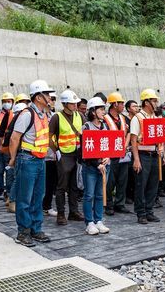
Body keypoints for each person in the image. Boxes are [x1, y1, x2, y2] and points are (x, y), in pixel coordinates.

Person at [8, 80, 54, 247]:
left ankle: (36, 229)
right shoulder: (27, 114)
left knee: (38, 197)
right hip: (27, 160)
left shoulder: (43, 115)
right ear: (38, 97)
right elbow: (14, 138)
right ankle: (23, 232)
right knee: (24, 198)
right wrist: (13, 159)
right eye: (47, 94)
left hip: (40, 160)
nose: (50, 97)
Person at [49, 89, 84, 225]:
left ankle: (73, 212)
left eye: (76, 103)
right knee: (61, 186)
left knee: (74, 185)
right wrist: (56, 150)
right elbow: (49, 136)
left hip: (77, 154)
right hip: (64, 154)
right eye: (72, 103)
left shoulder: (80, 116)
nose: (75, 105)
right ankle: (61, 214)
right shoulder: (56, 117)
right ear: (65, 104)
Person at [130, 88, 163, 224]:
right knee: (141, 185)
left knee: (153, 185)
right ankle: (141, 213)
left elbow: (160, 137)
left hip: (154, 154)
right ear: (147, 102)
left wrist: (161, 150)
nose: (156, 103)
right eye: (154, 101)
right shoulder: (137, 118)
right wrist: (136, 159)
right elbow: (133, 140)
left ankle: (149, 211)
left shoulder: (155, 118)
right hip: (142, 155)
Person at [81, 97, 111, 235]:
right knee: (89, 195)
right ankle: (89, 222)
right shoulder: (86, 127)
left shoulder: (105, 126)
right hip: (91, 167)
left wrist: (107, 157)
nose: (103, 112)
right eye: (100, 109)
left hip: (104, 166)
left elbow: (109, 145)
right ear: (93, 111)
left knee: (100, 194)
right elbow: (85, 151)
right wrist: (97, 163)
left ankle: (98, 220)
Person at [104, 92, 132, 215]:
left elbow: (129, 132)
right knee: (110, 182)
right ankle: (108, 205)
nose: (123, 106)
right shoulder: (105, 119)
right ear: (115, 104)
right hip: (110, 155)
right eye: (121, 103)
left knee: (122, 180)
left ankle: (120, 203)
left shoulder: (124, 118)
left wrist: (125, 145)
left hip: (123, 154)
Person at [3, 101, 28, 213]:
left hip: (16, 153)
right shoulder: (19, 123)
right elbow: (14, 140)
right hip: (19, 154)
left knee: (16, 178)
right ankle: (12, 200)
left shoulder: (14, 122)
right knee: (18, 179)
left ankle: (11, 199)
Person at [42, 94, 58, 217]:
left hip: (53, 154)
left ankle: (47, 206)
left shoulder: (54, 116)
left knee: (50, 182)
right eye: (50, 99)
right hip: (40, 153)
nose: (52, 101)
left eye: (54, 100)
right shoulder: (39, 115)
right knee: (41, 183)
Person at [125, 100, 139, 205]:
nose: (137, 108)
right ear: (128, 108)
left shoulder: (139, 119)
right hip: (127, 150)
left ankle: (134, 194)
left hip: (137, 149)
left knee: (135, 174)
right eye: (134, 106)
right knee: (128, 175)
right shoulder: (125, 119)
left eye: (137, 106)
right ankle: (128, 195)